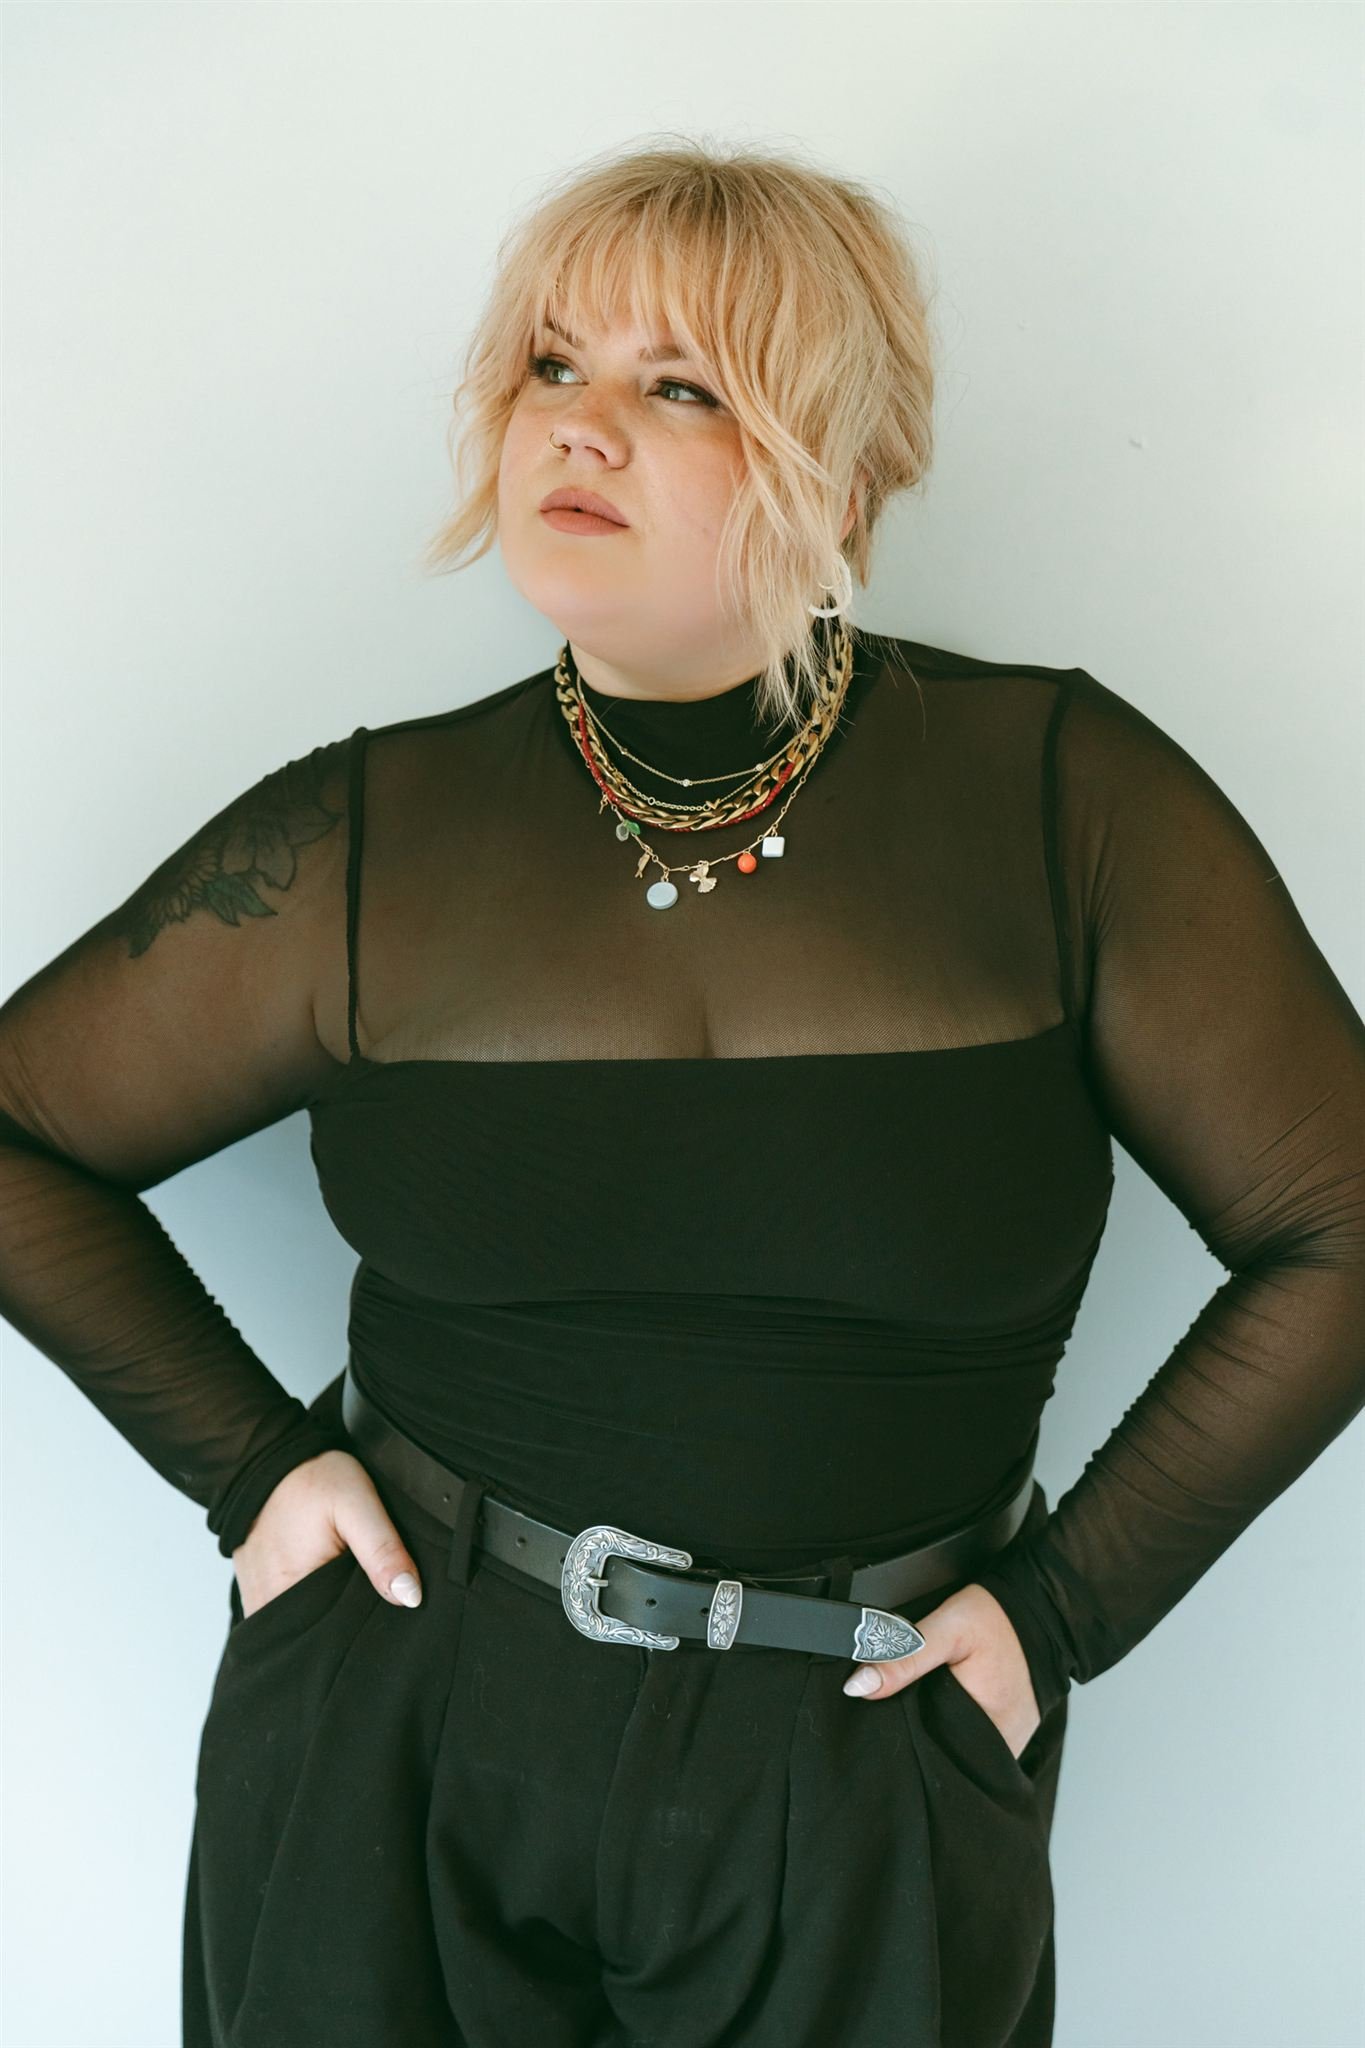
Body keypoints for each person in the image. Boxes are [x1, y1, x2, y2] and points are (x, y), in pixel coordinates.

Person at [1, 137, 1362, 2048]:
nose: (579, 427)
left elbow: (1339, 1226)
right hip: (395, 1727)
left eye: (682, 387)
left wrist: (1058, 1618)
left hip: (869, 1745)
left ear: (841, 471)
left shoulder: (1065, 800)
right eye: (551, 366)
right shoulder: (368, 836)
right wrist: (252, 1473)